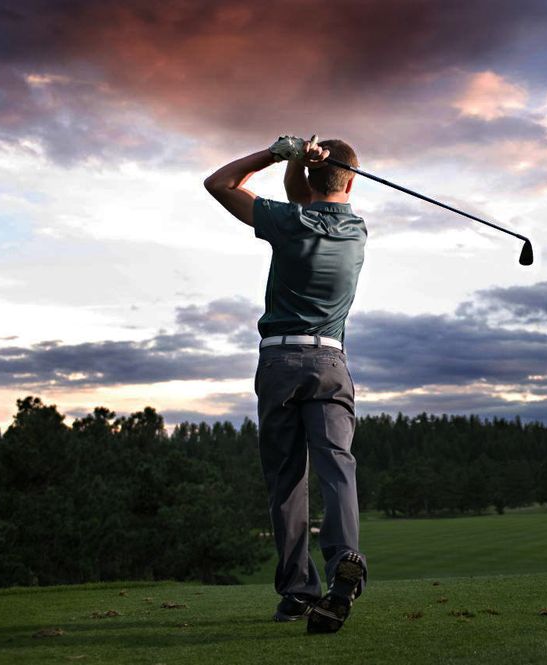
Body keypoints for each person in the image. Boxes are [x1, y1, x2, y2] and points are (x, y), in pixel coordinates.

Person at [204, 135, 368, 634]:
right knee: (337, 464)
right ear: (354, 181)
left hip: (280, 362)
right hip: (332, 363)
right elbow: (309, 197)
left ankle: (298, 592)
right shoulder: (357, 230)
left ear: (314, 175)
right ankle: (346, 558)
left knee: (286, 479)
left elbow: (219, 183)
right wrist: (303, 165)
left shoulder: (288, 222)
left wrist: (280, 154)